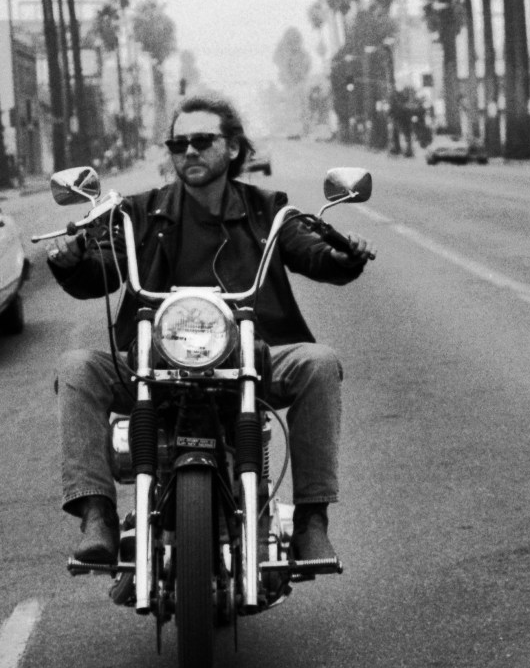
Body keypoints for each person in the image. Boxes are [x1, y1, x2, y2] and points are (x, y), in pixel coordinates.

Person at [48, 94, 374, 565]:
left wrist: (343, 256)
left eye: (202, 141)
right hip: (151, 362)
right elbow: (103, 268)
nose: (189, 152)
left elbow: (311, 252)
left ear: (235, 148)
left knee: (319, 363)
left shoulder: (269, 210)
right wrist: (73, 260)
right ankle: (96, 515)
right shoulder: (138, 212)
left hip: (253, 356)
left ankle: (311, 521)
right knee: (76, 366)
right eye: (178, 144)